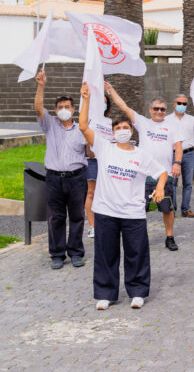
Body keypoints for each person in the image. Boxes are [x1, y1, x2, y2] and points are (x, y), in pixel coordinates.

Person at [78, 82, 167, 310]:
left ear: (131, 130)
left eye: (125, 128)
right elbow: (82, 127)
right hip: (106, 211)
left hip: (133, 212)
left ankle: (137, 292)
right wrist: (86, 99)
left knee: (136, 253)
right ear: (113, 132)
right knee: (105, 254)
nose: (122, 131)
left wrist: (160, 187)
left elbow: (162, 172)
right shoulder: (104, 148)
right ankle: (106, 294)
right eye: (118, 129)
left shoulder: (140, 155)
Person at [107, 84, 182, 251]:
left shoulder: (172, 126)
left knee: (167, 209)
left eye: (162, 109)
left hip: (165, 174)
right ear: (150, 110)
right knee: (140, 208)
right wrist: (111, 90)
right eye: (156, 108)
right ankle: (138, 238)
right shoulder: (142, 122)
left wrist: (177, 163)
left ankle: (169, 237)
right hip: (143, 175)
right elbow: (124, 107)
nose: (159, 112)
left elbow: (178, 146)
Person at [34, 70, 88, 270]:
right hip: (54, 179)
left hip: (77, 178)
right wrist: (41, 85)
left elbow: (90, 150)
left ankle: (75, 252)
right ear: (55, 110)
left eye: (67, 106)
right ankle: (57, 253)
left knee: (77, 216)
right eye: (60, 107)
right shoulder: (50, 125)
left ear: (73, 110)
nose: (63, 109)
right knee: (55, 217)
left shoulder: (82, 128)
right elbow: (39, 107)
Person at [168, 94, 194, 218]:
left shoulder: (191, 119)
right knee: (172, 183)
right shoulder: (167, 120)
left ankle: (186, 208)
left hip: (188, 153)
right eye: (179, 103)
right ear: (174, 104)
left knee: (188, 183)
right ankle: (172, 209)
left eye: (184, 104)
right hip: (172, 155)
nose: (181, 106)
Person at [85, 95, 114, 239]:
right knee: (91, 192)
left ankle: (106, 223)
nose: (102, 104)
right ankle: (92, 226)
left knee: (107, 192)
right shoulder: (90, 120)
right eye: (99, 101)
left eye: (105, 102)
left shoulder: (110, 122)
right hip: (93, 160)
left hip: (108, 160)